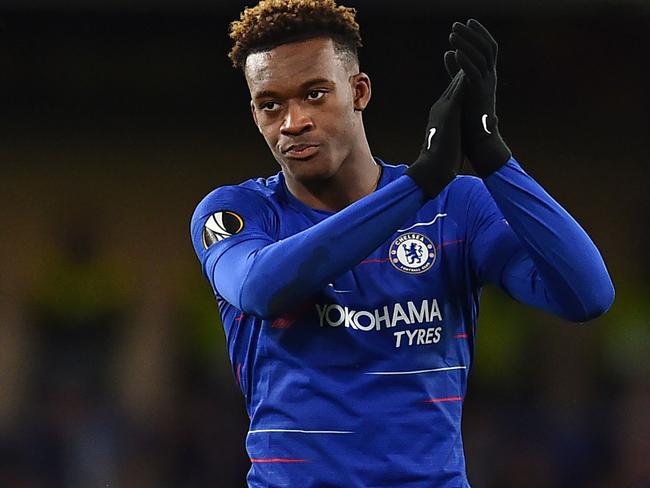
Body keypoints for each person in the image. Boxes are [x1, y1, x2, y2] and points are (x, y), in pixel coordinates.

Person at [190, 1, 614, 486]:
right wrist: (418, 183)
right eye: (271, 105)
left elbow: (589, 295)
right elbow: (261, 289)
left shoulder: (457, 208)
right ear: (254, 112)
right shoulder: (237, 212)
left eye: (314, 94)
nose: (293, 122)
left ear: (359, 91)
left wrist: (493, 154)